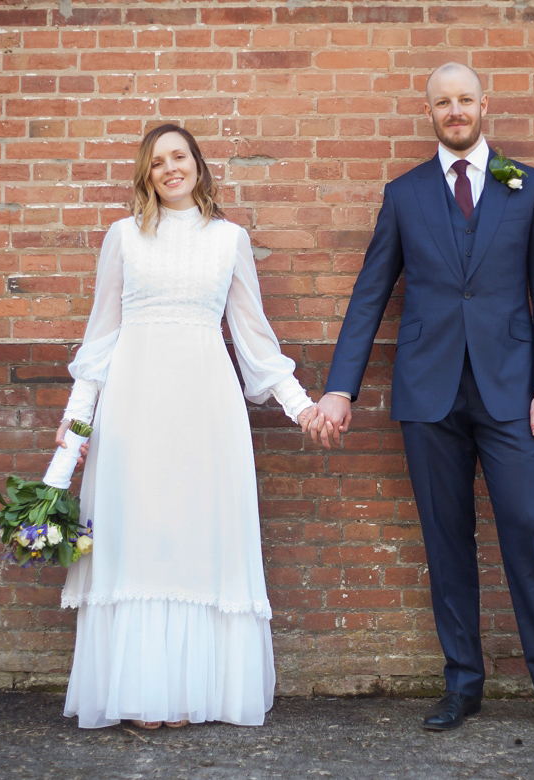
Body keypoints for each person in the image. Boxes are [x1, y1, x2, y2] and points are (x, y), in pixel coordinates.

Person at [313, 63, 534, 737]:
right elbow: (370, 295)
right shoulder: (405, 194)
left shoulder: (528, 188)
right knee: (446, 540)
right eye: (443, 102)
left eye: (465, 100)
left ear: (485, 105)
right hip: (429, 392)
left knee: (528, 528)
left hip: (512, 392)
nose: (455, 111)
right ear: (430, 111)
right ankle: (462, 683)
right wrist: (340, 388)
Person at [55, 124, 322, 729]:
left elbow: (255, 340)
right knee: (139, 537)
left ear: (197, 164)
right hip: (135, 404)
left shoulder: (230, 240)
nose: (170, 169)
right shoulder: (122, 237)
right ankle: (139, 692)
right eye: (156, 163)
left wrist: (299, 404)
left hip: (205, 407)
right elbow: (99, 339)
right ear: (145, 176)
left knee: (198, 539)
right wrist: (76, 423)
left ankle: (189, 692)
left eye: (179, 157)